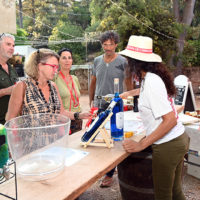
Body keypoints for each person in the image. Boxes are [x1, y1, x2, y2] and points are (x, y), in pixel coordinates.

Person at [119, 35, 189, 200]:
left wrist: (141, 145)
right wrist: (129, 93)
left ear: (134, 61)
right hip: (177, 140)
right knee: (175, 193)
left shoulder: (151, 81)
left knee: (163, 196)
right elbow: (147, 93)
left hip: (167, 145)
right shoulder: (149, 77)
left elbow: (170, 120)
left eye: (129, 59)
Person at [89, 31, 132, 187]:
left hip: (116, 105)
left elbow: (129, 83)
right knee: (101, 137)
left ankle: (109, 174)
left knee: (115, 137)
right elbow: (93, 82)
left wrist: (130, 103)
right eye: (105, 44)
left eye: (111, 44)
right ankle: (106, 168)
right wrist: (91, 101)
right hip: (100, 105)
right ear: (102, 45)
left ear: (116, 45)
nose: (108, 47)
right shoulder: (97, 61)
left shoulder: (123, 62)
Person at [6, 48, 90, 124]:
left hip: (54, 139)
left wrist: (80, 115)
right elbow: (10, 120)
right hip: (32, 140)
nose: (56, 70)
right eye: (53, 66)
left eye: (57, 67)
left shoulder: (53, 86)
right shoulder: (22, 87)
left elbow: (61, 112)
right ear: (39, 66)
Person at [54, 48, 82, 134]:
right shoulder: (54, 78)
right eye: (64, 58)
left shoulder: (75, 79)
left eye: (69, 58)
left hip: (77, 119)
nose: (67, 60)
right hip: (62, 120)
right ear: (58, 61)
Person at [0, 33, 18, 125]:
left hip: (13, 123)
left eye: (13, 45)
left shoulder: (12, 68)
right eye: (8, 44)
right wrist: (5, 91)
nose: (12, 48)